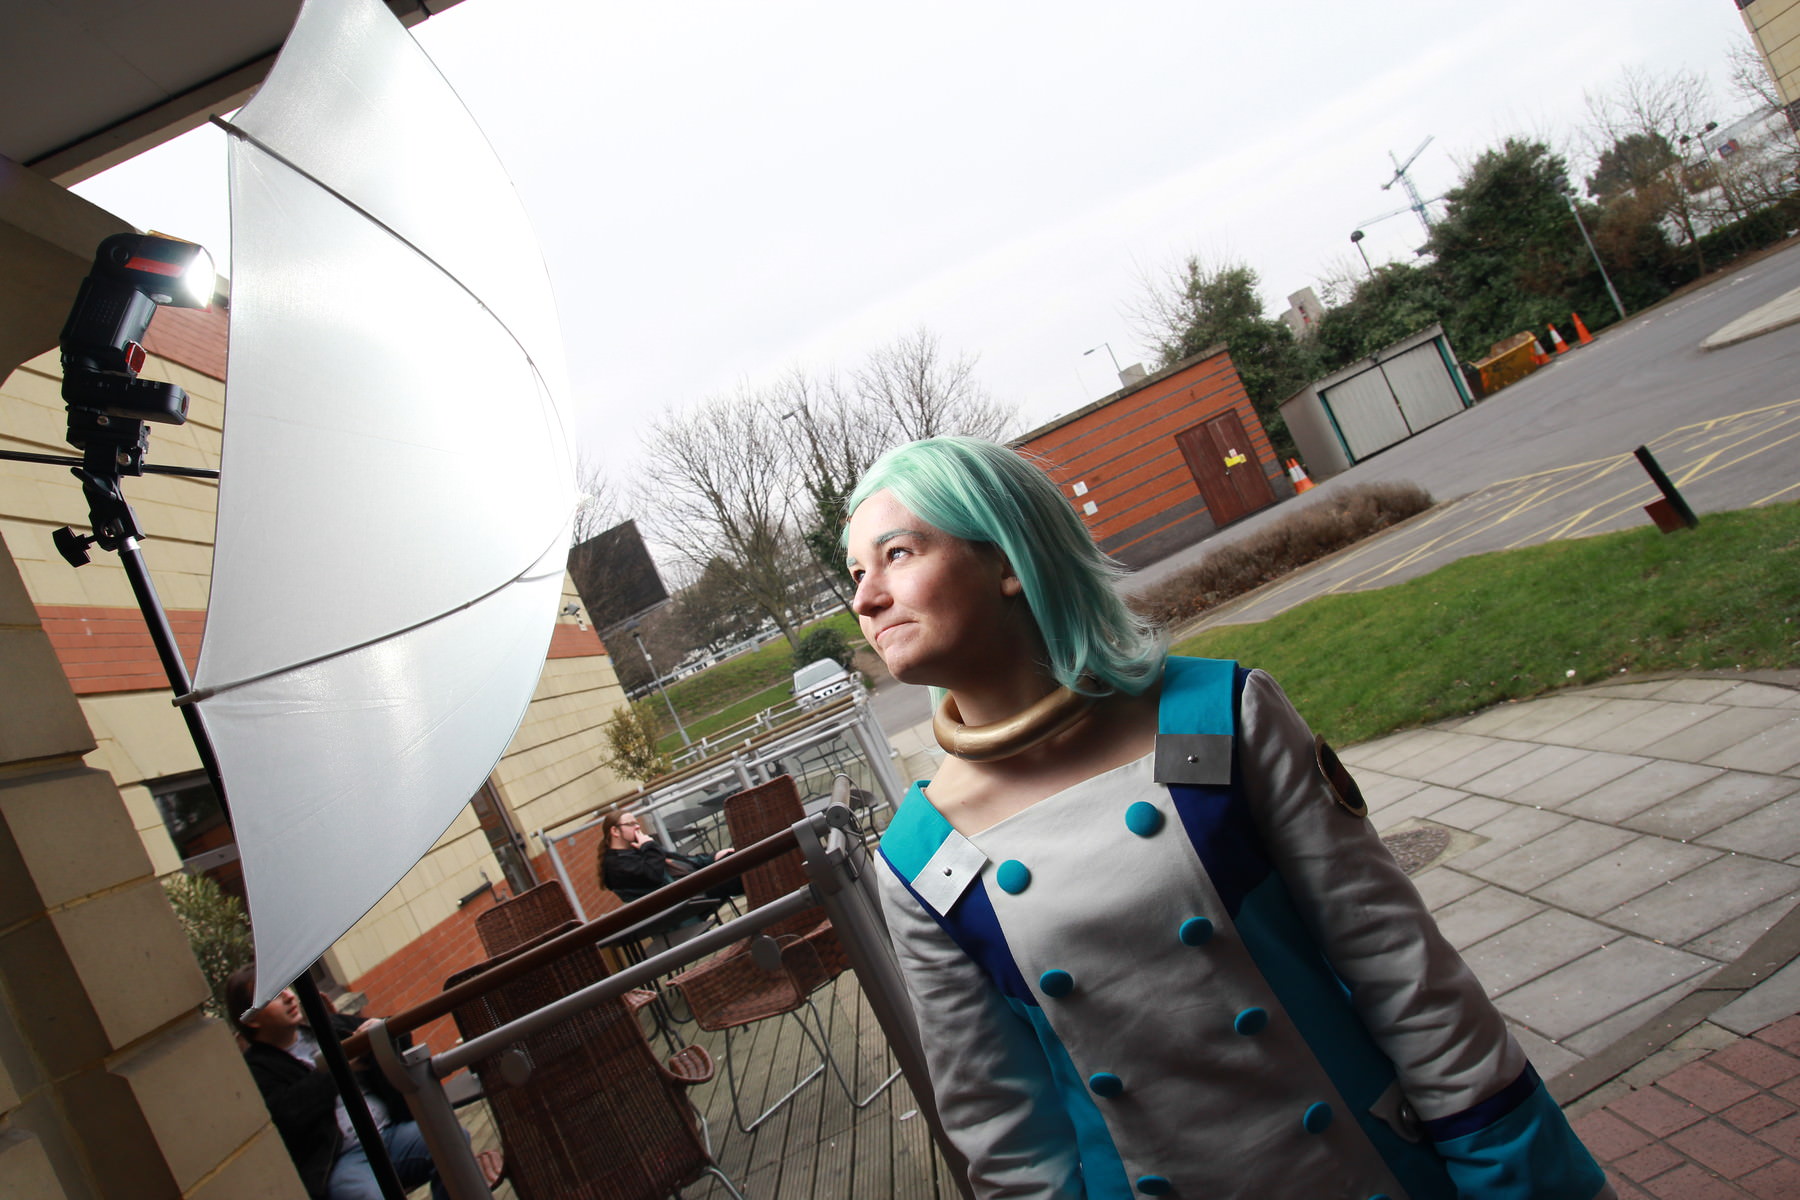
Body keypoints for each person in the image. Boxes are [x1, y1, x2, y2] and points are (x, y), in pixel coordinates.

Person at [845, 436, 1614, 1200]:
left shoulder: (1222, 716)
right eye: (856, 574)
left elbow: (1406, 978)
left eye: (897, 555)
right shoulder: (920, 858)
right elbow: (1008, 1141)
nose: (866, 599)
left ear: (1008, 560)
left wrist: (1517, 1177)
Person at [224, 967, 501, 1200]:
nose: (288, 996)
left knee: (453, 1139)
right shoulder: (257, 1070)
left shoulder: (326, 1028)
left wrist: (379, 1031)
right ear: (253, 1020)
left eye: (284, 987)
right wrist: (340, 1068)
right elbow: (286, 1114)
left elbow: (398, 1035)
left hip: (389, 1134)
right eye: (274, 995)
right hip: (341, 1160)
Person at [598, 809, 740, 903]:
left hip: (694, 884)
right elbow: (653, 875)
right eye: (630, 824)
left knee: (733, 857)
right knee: (740, 870)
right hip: (687, 898)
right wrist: (649, 846)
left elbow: (681, 860)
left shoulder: (635, 850)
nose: (637, 827)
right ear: (615, 831)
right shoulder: (615, 865)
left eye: (637, 823)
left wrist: (712, 857)